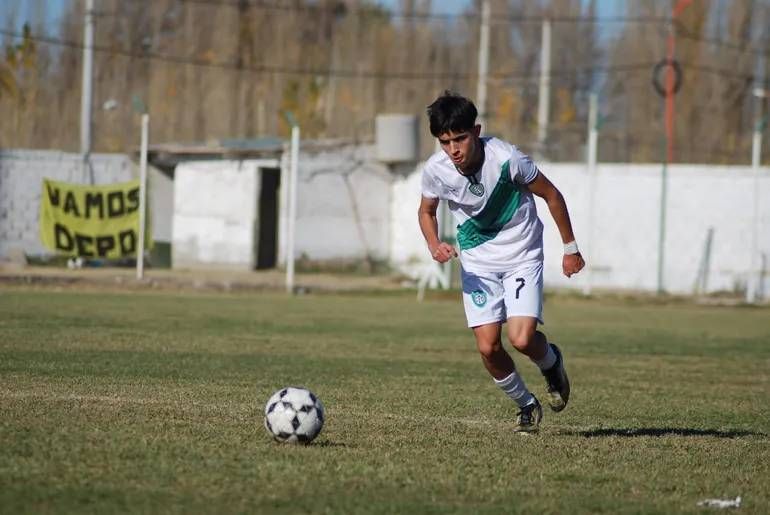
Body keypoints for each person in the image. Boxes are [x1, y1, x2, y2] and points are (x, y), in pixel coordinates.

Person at [417, 91, 585, 433]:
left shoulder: (508, 159)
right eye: (445, 142)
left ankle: (552, 364)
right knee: (488, 346)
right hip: (478, 262)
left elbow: (552, 195)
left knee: (522, 339)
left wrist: (570, 248)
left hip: (522, 254)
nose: (453, 150)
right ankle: (526, 404)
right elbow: (426, 211)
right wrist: (434, 244)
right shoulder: (436, 171)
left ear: (476, 131)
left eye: (460, 138)